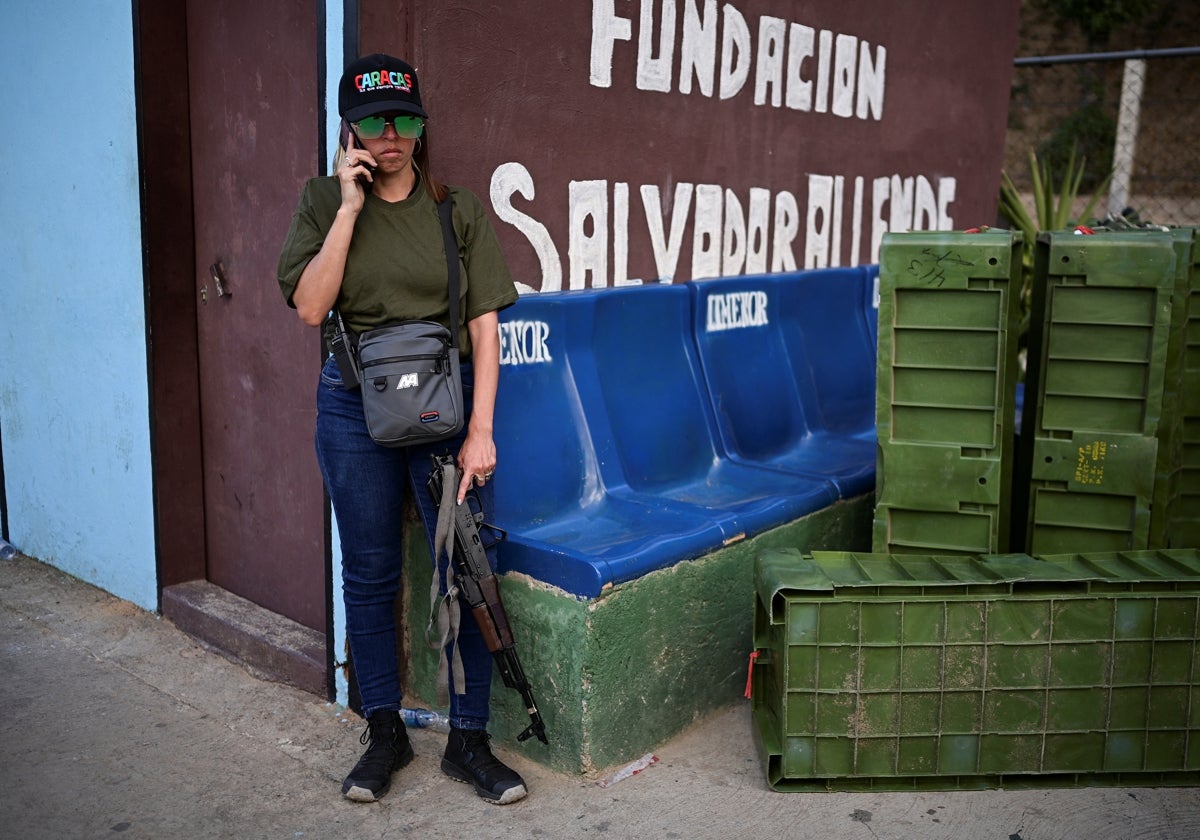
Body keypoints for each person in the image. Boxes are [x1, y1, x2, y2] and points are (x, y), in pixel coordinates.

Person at [276, 53, 523, 805]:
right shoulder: (323, 201)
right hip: (355, 407)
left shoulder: (458, 208)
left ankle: (470, 740)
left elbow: (484, 328)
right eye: (376, 123)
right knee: (371, 572)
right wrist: (350, 210)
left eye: (406, 120)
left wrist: (481, 430)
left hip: (447, 411)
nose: (392, 136)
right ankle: (384, 729)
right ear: (351, 130)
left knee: (468, 569)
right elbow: (312, 308)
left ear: (421, 126)